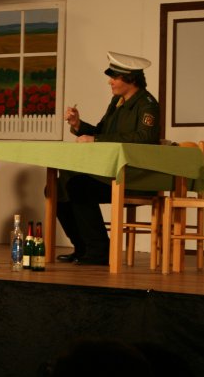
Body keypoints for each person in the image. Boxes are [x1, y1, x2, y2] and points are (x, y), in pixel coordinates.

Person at [57, 51, 160, 265]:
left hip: (133, 176)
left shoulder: (147, 104)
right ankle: (83, 248)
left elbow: (145, 138)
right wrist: (78, 125)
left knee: (78, 187)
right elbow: (101, 132)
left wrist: (95, 139)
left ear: (130, 79)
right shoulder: (117, 101)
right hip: (112, 172)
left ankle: (100, 251)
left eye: (114, 77)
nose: (109, 81)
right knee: (58, 187)